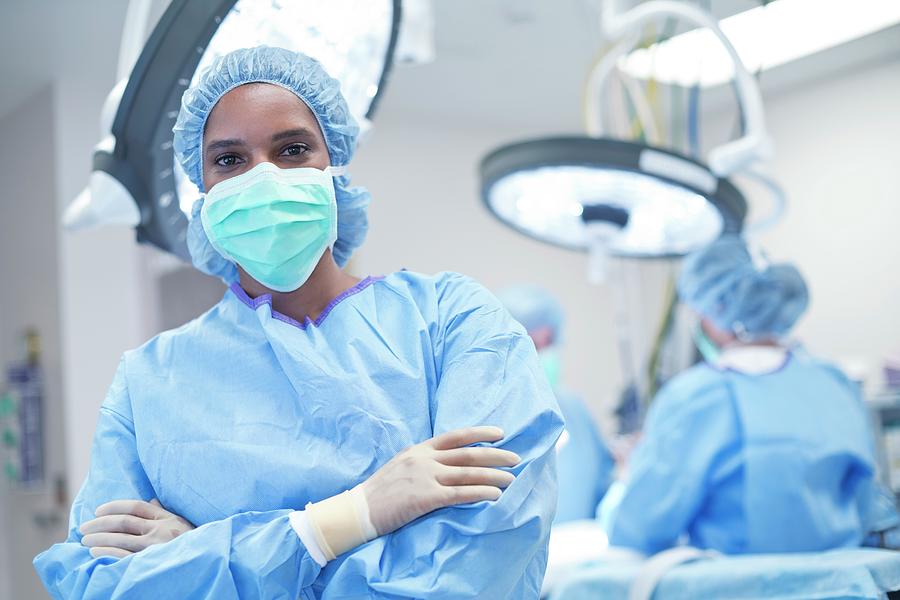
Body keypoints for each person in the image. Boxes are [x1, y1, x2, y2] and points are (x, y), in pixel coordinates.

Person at [34, 46, 563, 599]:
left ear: (333, 168)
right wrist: (341, 520)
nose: (263, 178)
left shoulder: (455, 322)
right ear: (204, 191)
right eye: (230, 160)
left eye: (292, 149)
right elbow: (100, 586)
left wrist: (208, 554)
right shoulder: (147, 385)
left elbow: (478, 566)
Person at [601, 235, 878, 556]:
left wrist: (629, 476)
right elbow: (865, 507)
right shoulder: (834, 384)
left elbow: (639, 532)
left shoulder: (693, 398)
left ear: (716, 313)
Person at [498, 284, 614, 524]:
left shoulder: (572, 408)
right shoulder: (489, 415)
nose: (543, 354)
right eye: (532, 343)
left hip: (581, 551)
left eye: (549, 342)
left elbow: (602, 482)